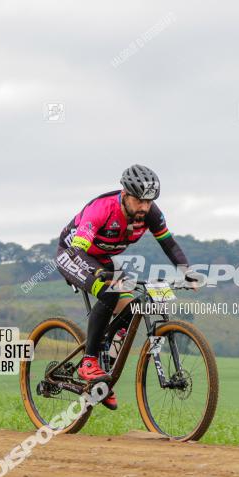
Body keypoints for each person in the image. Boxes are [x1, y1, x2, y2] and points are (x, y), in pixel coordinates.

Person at [55, 164, 192, 410]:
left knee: (133, 309)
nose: (144, 208)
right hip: (74, 255)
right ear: (125, 194)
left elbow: (168, 243)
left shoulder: (150, 212)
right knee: (109, 292)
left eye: (149, 202)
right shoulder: (102, 209)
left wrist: (186, 271)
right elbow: (77, 250)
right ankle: (88, 362)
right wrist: (98, 273)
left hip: (104, 259)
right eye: (139, 201)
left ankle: (103, 377)